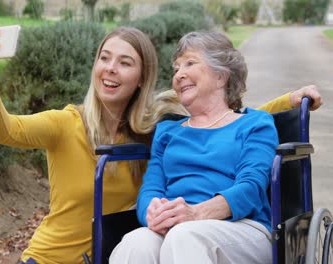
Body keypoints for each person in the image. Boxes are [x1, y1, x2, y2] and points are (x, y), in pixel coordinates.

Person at [0, 24, 322, 264]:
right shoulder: (150, 129)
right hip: (56, 255)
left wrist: (289, 102)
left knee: (183, 237)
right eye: (104, 58)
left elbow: (236, 130)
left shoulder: (163, 128)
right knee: (137, 242)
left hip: (216, 228)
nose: (110, 69)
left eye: (125, 63)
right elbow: (8, 130)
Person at [109, 30, 283, 264]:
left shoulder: (255, 124)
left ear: (221, 76)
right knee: (135, 243)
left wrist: (196, 213)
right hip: (177, 228)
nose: (179, 74)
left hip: (242, 228)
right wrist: (152, 212)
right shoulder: (168, 132)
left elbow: (251, 188)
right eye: (176, 68)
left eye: (189, 63)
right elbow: (151, 188)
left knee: (185, 236)